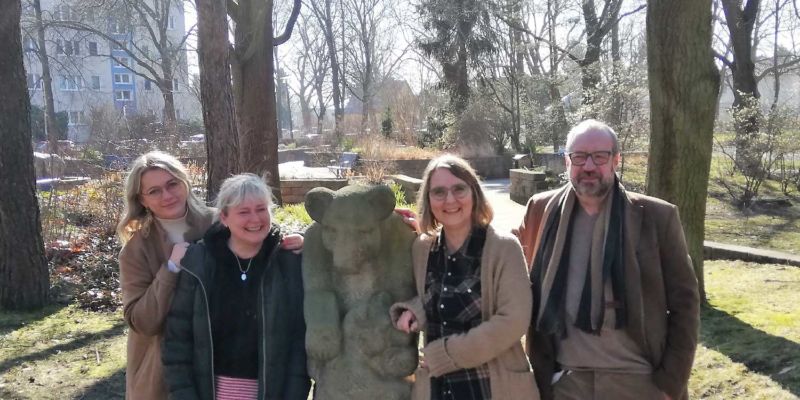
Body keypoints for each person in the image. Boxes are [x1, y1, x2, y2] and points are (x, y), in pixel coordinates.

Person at [516, 119, 700, 400]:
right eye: (579, 157)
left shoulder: (656, 217)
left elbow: (685, 304)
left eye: (599, 157)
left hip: (640, 381)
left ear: (616, 160)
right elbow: (499, 253)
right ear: (567, 162)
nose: (588, 166)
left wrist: (670, 384)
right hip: (566, 383)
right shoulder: (541, 210)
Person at [117, 152, 302, 400]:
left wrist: (299, 243)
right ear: (142, 199)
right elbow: (142, 322)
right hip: (162, 370)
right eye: (154, 191)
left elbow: (258, 229)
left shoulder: (216, 221)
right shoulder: (136, 249)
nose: (168, 195)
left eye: (172, 184)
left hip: (223, 369)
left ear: (184, 182)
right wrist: (170, 269)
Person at [391, 154, 538, 400]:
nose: (450, 200)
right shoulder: (422, 248)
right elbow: (434, 296)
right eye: (438, 192)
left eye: (459, 189)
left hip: (492, 387)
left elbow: (513, 321)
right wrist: (414, 311)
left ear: (474, 193)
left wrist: (446, 355)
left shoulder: (504, 248)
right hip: (439, 389)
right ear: (428, 200)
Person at [161, 173, 311, 400]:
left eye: (261, 209)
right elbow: (177, 341)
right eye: (243, 212)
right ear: (224, 217)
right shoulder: (199, 262)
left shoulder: (288, 262)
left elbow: (299, 343)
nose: (255, 219)